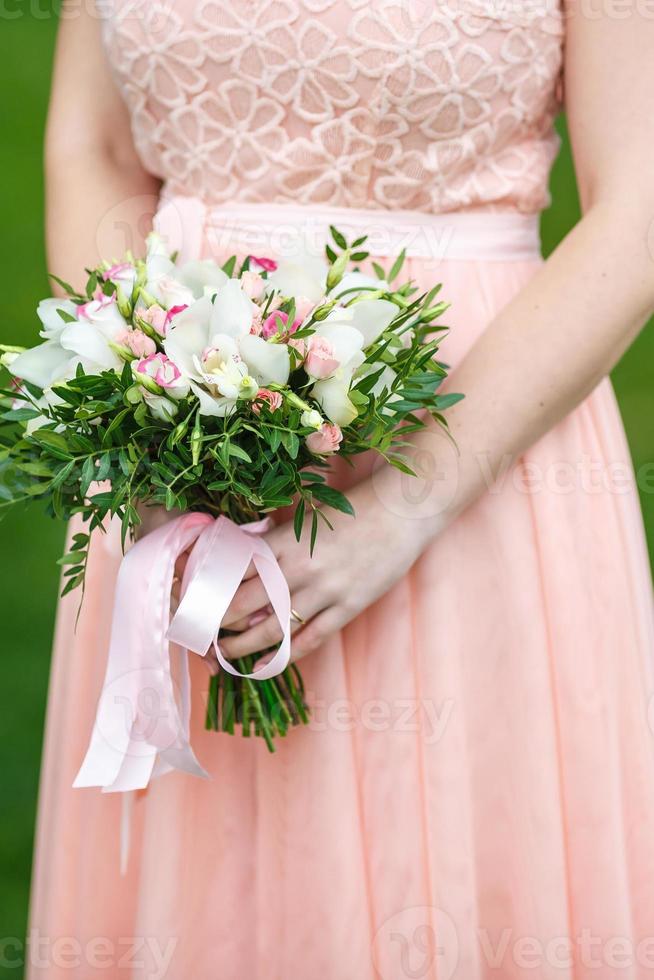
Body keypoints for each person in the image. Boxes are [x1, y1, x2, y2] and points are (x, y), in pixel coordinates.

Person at [28, 0, 654, 977]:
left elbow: (642, 203)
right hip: (179, 462)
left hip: (476, 464)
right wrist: (143, 411)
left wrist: (408, 504)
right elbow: (93, 143)